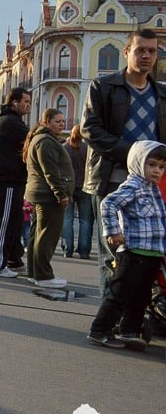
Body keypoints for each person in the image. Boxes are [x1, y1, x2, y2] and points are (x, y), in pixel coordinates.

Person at [81, 29, 166, 301]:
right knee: (113, 250)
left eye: (152, 51)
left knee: (146, 251)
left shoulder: (161, 93)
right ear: (126, 52)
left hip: (151, 185)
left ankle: (136, 316)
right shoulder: (103, 87)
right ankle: (109, 317)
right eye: (140, 50)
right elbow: (90, 129)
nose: (146, 56)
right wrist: (134, 154)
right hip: (111, 178)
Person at [87, 141, 166, 350]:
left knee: (140, 296)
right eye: (152, 165)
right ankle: (100, 329)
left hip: (151, 252)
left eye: (161, 166)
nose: (157, 170)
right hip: (133, 252)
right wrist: (113, 231)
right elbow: (108, 203)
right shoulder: (134, 186)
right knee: (120, 293)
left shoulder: (153, 189)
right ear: (139, 163)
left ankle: (128, 330)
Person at [22, 108, 73, 288]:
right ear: (46, 122)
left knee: (37, 234)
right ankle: (43, 276)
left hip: (41, 193)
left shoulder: (42, 139)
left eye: (62, 121)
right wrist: (61, 194)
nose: (61, 124)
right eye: (57, 121)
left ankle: (34, 273)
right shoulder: (46, 141)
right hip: (48, 195)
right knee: (47, 236)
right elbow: (50, 171)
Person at [0, 87, 31, 277]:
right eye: (26, 101)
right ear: (15, 102)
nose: (28, 105)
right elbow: (32, 138)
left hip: (13, 179)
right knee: (4, 221)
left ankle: (13, 259)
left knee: (14, 221)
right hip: (7, 179)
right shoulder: (9, 122)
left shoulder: (10, 120)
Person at [61, 124, 93, 259]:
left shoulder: (64, 148)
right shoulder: (87, 149)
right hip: (84, 186)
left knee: (67, 219)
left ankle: (67, 250)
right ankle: (84, 251)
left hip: (67, 187)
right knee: (85, 220)